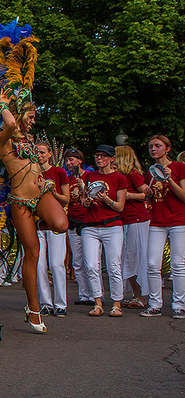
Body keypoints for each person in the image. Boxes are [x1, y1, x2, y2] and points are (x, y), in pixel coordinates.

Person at [0, 90, 68, 333]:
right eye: (32, 116)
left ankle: (37, 225)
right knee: (33, 254)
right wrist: (3, 104)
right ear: (20, 115)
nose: (34, 121)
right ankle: (34, 308)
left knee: (61, 225)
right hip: (20, 201)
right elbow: (11, 123)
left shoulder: (29, 141)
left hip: (41, 195)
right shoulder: (2, 140)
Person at [78, 145, 128, 317]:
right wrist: (86, 201)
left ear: (111, 159)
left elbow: (120, 207)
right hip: (91, 224)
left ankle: (116, 303)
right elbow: (85, 198)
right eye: (97, 155)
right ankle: (97, 301)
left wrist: (106, 199)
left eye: (103, 156)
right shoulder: (90, 176)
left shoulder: (119, 178)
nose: (99, 159)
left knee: (114, 265)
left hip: (112, 225)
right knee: (91, 265)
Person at [141, 135, 185, 318]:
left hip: (178, 220)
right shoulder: (150, 171)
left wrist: (169, 179)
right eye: (151, 146)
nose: (153, 149)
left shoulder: (179, 167)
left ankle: (179, 305)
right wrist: (148, 195)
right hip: (157, 220)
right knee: (152, 264)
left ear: (167, 149)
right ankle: (155, 304)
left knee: (178, 265)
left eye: (157, 146)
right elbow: (151, 199)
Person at [35, 143, 70, 316]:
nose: (39, 155)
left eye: (42, 152)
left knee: (56, 264)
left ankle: (61, 303)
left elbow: (66, 198)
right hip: (37, 224)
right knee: (40, 264)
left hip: (55, 224)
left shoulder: (59, 172)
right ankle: (45, 303)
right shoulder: (31, 171)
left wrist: (52, 192)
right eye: (37, 152)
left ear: (49, 154)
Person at [115, 145, 150, 309]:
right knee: (127, 258)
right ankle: (136, 294)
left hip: (136, 219)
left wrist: (126, 195)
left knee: (134, 257)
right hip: (125, 219)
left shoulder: (132, 175)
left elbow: (145, 193)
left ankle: (140, 295)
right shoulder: (120, 176)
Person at [64, 149, 92, 305]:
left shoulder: (89, 176)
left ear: (80, 160)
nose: (69, 163)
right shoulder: (67, 179)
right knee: (77, 261)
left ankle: (96, 293)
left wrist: (83, 187)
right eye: (67, 160)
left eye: (72, 160)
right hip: (73, 220)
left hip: (88, 221)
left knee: (91, 260)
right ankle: (84, 294)